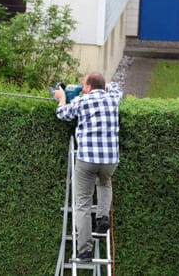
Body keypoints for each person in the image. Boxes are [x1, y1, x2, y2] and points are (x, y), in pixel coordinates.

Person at [55, 72, 123, 262]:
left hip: (87, 159)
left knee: (83, 204)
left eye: (83, 85)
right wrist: (103, 85)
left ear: (88, 87)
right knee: (104, 183)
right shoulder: (113, 98)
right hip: (111, 160)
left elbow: (62, 114)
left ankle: (84, 250)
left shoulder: (82, 101)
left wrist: (61, 98)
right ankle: (102, 218)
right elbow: (116, 87)